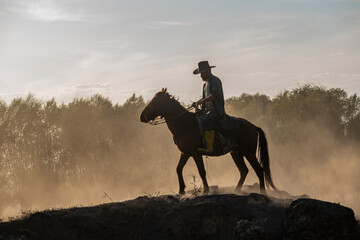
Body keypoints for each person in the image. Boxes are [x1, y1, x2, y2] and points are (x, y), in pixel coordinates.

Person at [192, 61, 225, 153]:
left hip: (216, 111)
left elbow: (215, 96)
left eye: (202, 73)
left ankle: (209, 146)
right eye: (200, 73)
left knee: (206, 120)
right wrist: (197, 104)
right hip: (207, 110)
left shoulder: (215, 80)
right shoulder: (205, 84)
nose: (201, 75)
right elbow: (204, 100)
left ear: (208, 71)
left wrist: (201, 101)